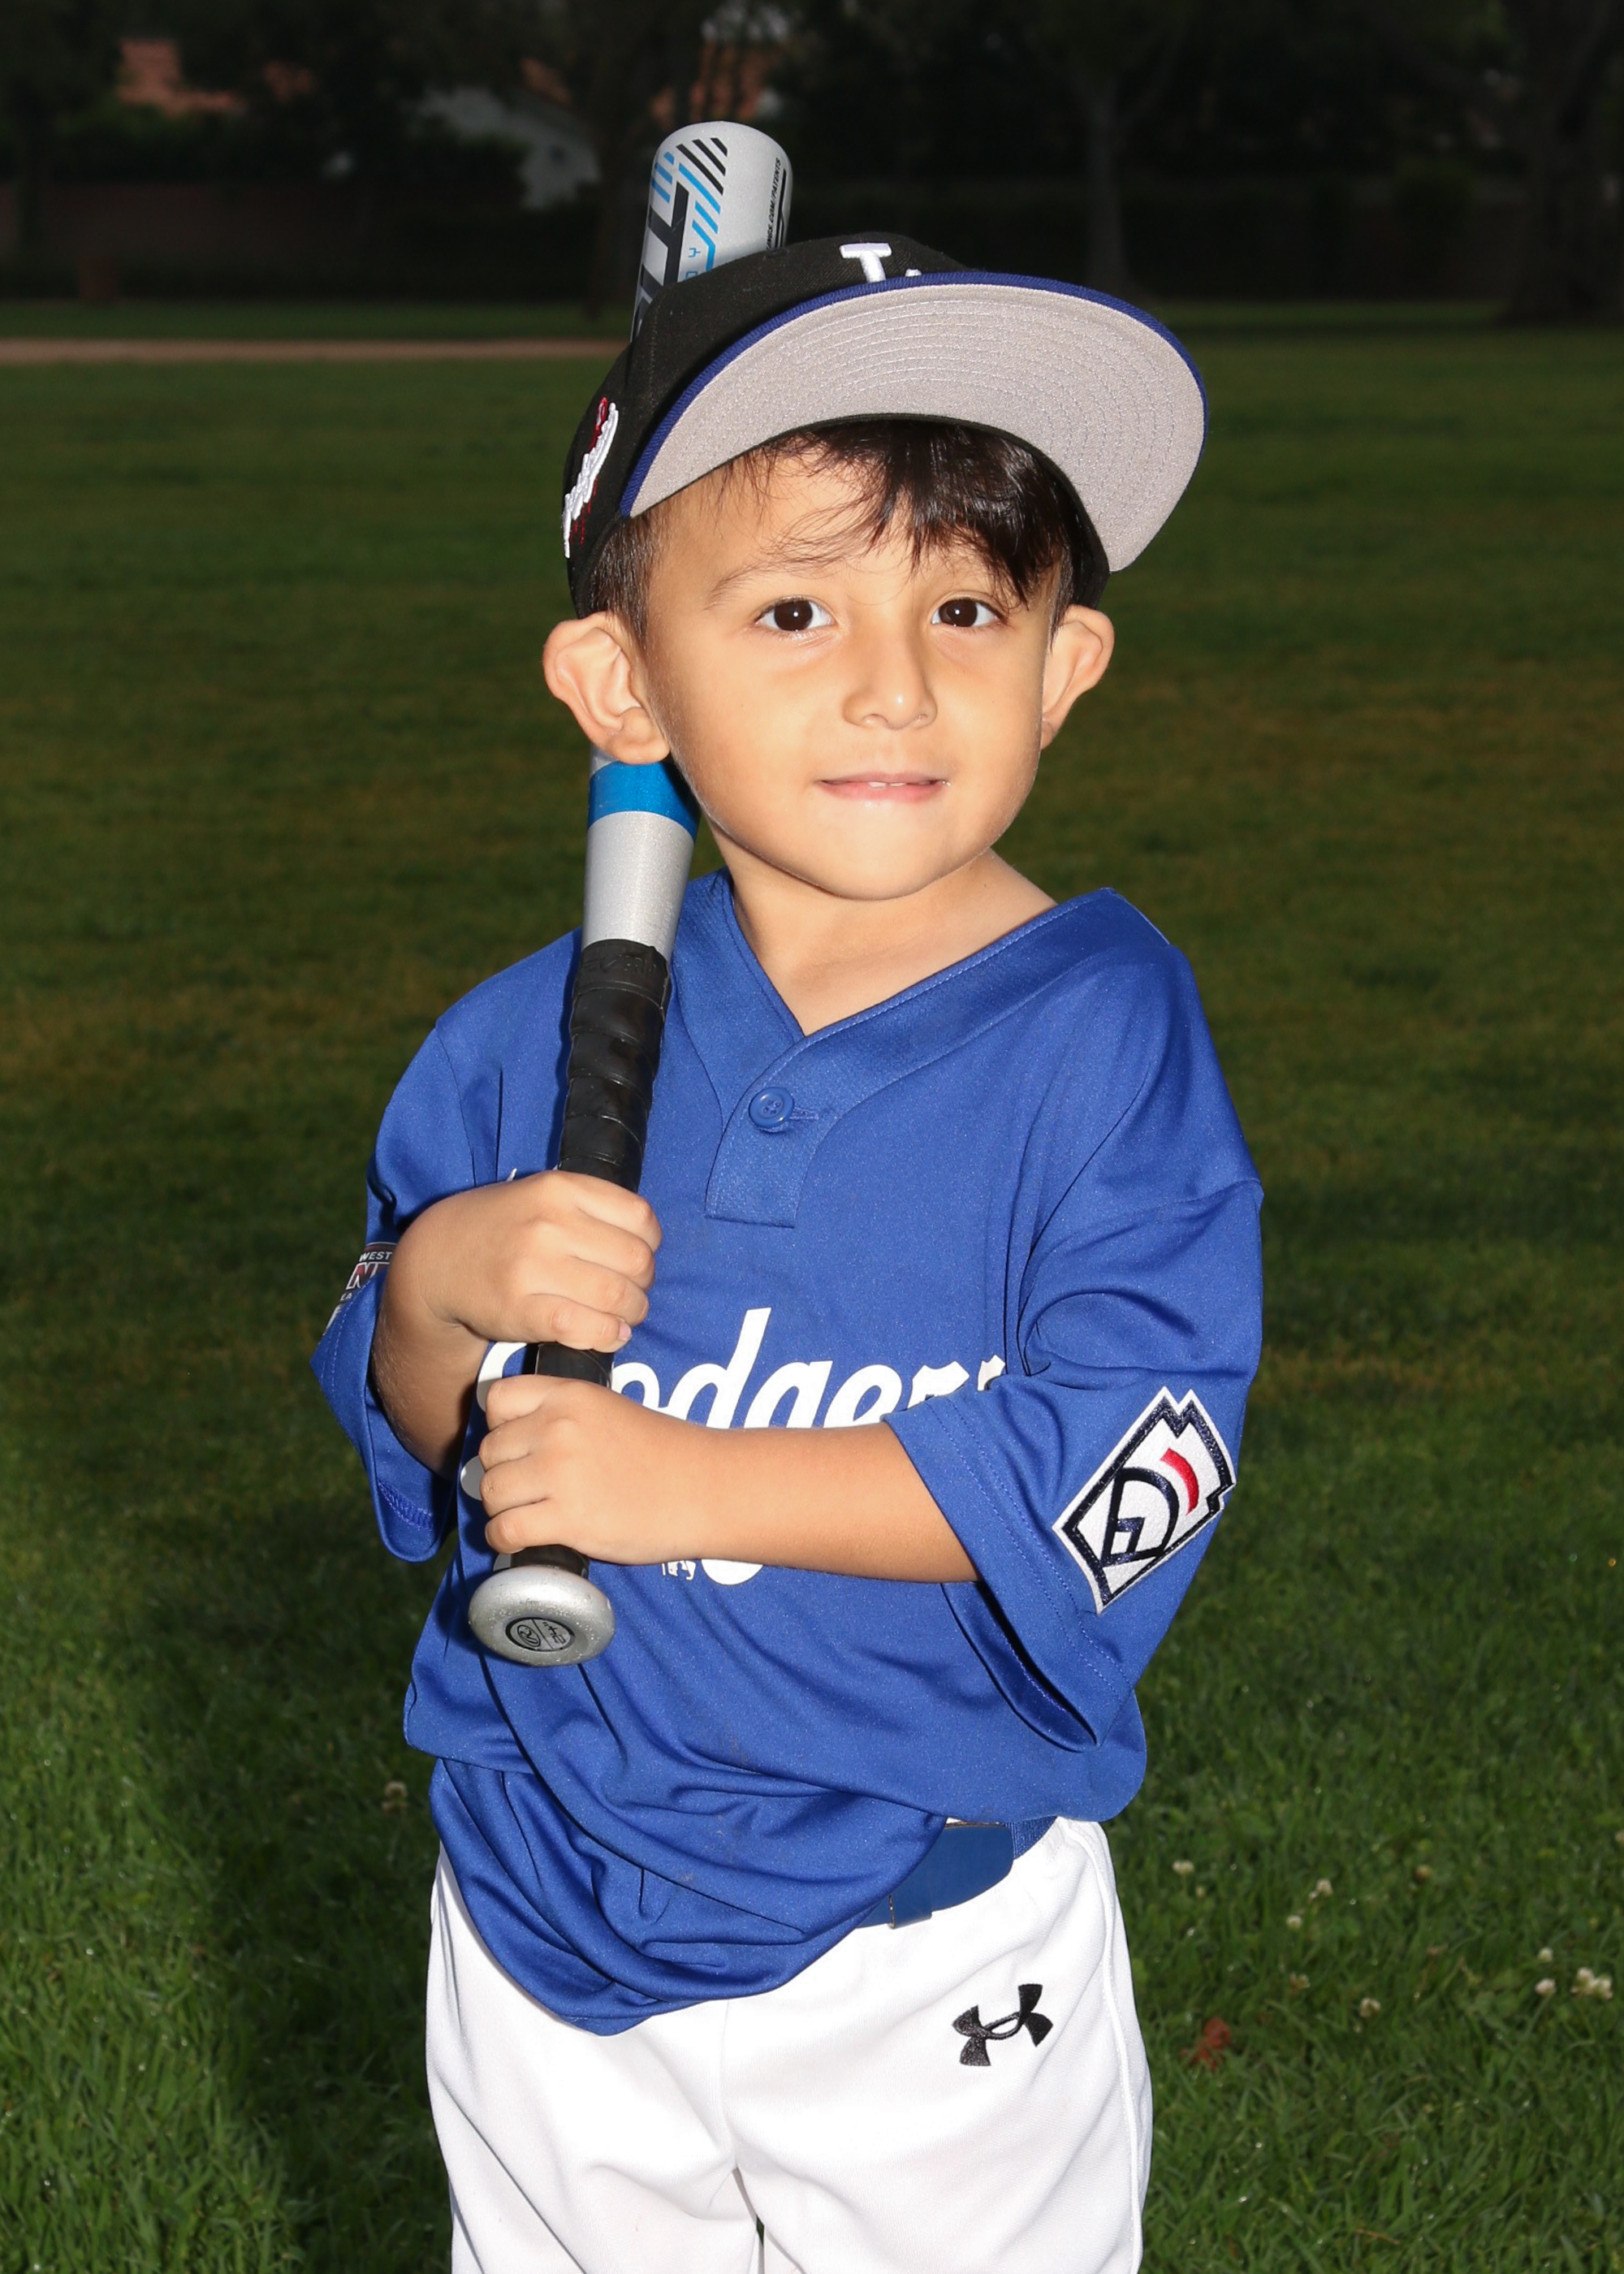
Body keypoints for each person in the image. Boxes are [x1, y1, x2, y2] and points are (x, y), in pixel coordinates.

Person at [313, 234, 1263, 2274]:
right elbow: (428, 1431)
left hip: (925, 1919)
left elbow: (1128, 1467)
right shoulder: (523, 1042)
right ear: (622, 686)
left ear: (1065, 664)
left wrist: (690, 1484)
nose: (893, 680)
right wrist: (440, 1293)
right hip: (545, 1874)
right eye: (795, 607)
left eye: (964, 605)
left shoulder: (1101, 1034)